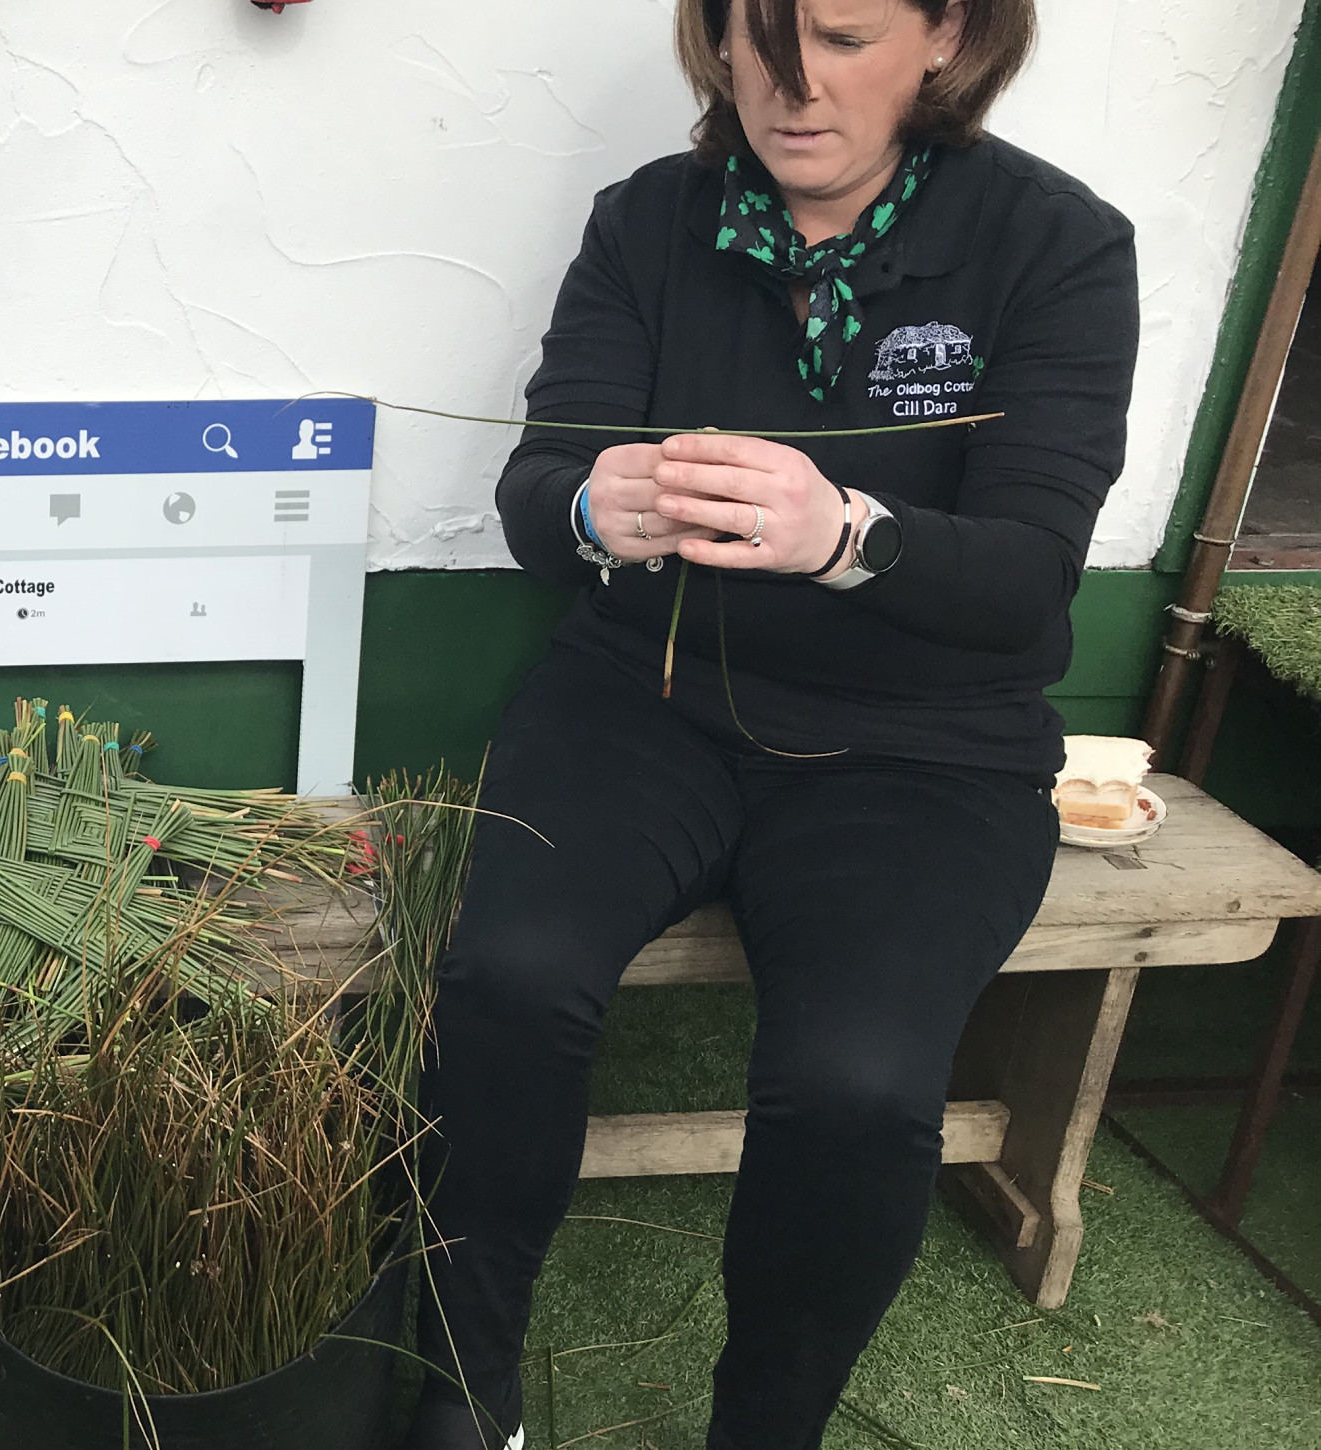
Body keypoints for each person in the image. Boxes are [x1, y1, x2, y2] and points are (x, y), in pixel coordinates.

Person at [411, 1, 1132, 1446]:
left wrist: (848, 532)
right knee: (505, 974)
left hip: (921, 747)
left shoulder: (1054, 243)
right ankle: (455, 1389)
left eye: (845, 35)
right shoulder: (651, 222)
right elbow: (536, 492)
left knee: (856, 1083)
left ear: (944, 37)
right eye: (755, 37)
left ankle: (766, 1428)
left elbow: (1025, 583)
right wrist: (585, 503)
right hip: (647, 698)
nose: (789, 86)